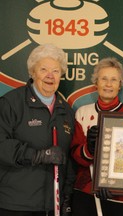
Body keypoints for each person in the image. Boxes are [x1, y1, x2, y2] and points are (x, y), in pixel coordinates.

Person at [0, 43, 75, 216]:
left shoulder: (66, 111)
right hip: (16, 205)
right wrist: (37, 155)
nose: (50, 76)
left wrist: (67, 196)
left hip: (51, 206)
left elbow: (69, 159)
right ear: (32, 72)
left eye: (56, 71)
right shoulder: (11, 103)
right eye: (43, 69)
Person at [71, 57, 123, 216]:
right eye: (103, 79)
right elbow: (75, 154)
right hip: (86, 195)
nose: (108, 84)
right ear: (96, 83)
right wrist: (89, 149)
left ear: (120, 85)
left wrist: (115, 185)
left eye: (113, 80)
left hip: (121, 198)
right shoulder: (83, 113)